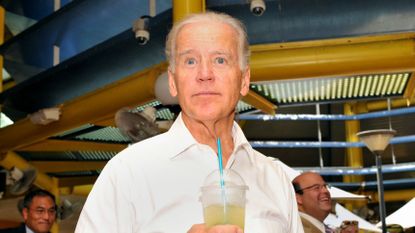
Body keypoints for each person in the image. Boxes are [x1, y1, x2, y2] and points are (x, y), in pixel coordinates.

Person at [76, 11, 303, 233]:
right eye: (191, 61)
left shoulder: (274, 179)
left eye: (220, 60)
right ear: (173, 82)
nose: (205, 73)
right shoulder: (128, 172)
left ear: (244, 80)